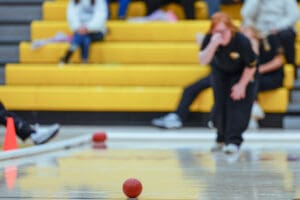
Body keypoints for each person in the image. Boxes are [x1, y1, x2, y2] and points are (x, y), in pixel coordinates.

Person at [199, 12, 257, 154]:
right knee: (219, 105)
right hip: (221, 72)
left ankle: (233, 141)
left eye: (223, 31)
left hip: (243, 73)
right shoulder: (211, 38)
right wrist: (213, 43)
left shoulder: (241, 41)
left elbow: (252, 65)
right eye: (216, 31)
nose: (220, 34)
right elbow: (203, 61)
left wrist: (242, 85)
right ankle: (220, 138)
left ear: (230, 29)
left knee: (236, 107)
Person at [241, 0, 299, 77]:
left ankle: (291, 69)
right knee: (246, 35)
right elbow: (246, 14)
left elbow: (293, 15)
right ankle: (250, 69)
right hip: (259, 29)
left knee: (287, 35)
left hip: (280, 28)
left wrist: (277, 27)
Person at [241, 26, 285, 129]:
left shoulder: (270, 39)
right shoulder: (243, 47)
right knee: (248, 80)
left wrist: (257, 70)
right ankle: (252, 110)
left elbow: (279, 61)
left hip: (273, 77)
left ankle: (253, 109)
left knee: (250, 79)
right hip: (255, 79)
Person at [60, 0, 108, 64]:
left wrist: (87, 28)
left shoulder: (100, 1)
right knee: (86, 39)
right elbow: (71, 17)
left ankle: (68, 54)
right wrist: (79, 27)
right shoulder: (74, 1)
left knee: (82, 37)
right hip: (80, 31)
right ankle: (84, 61)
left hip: (97, 32)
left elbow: (100, 18)